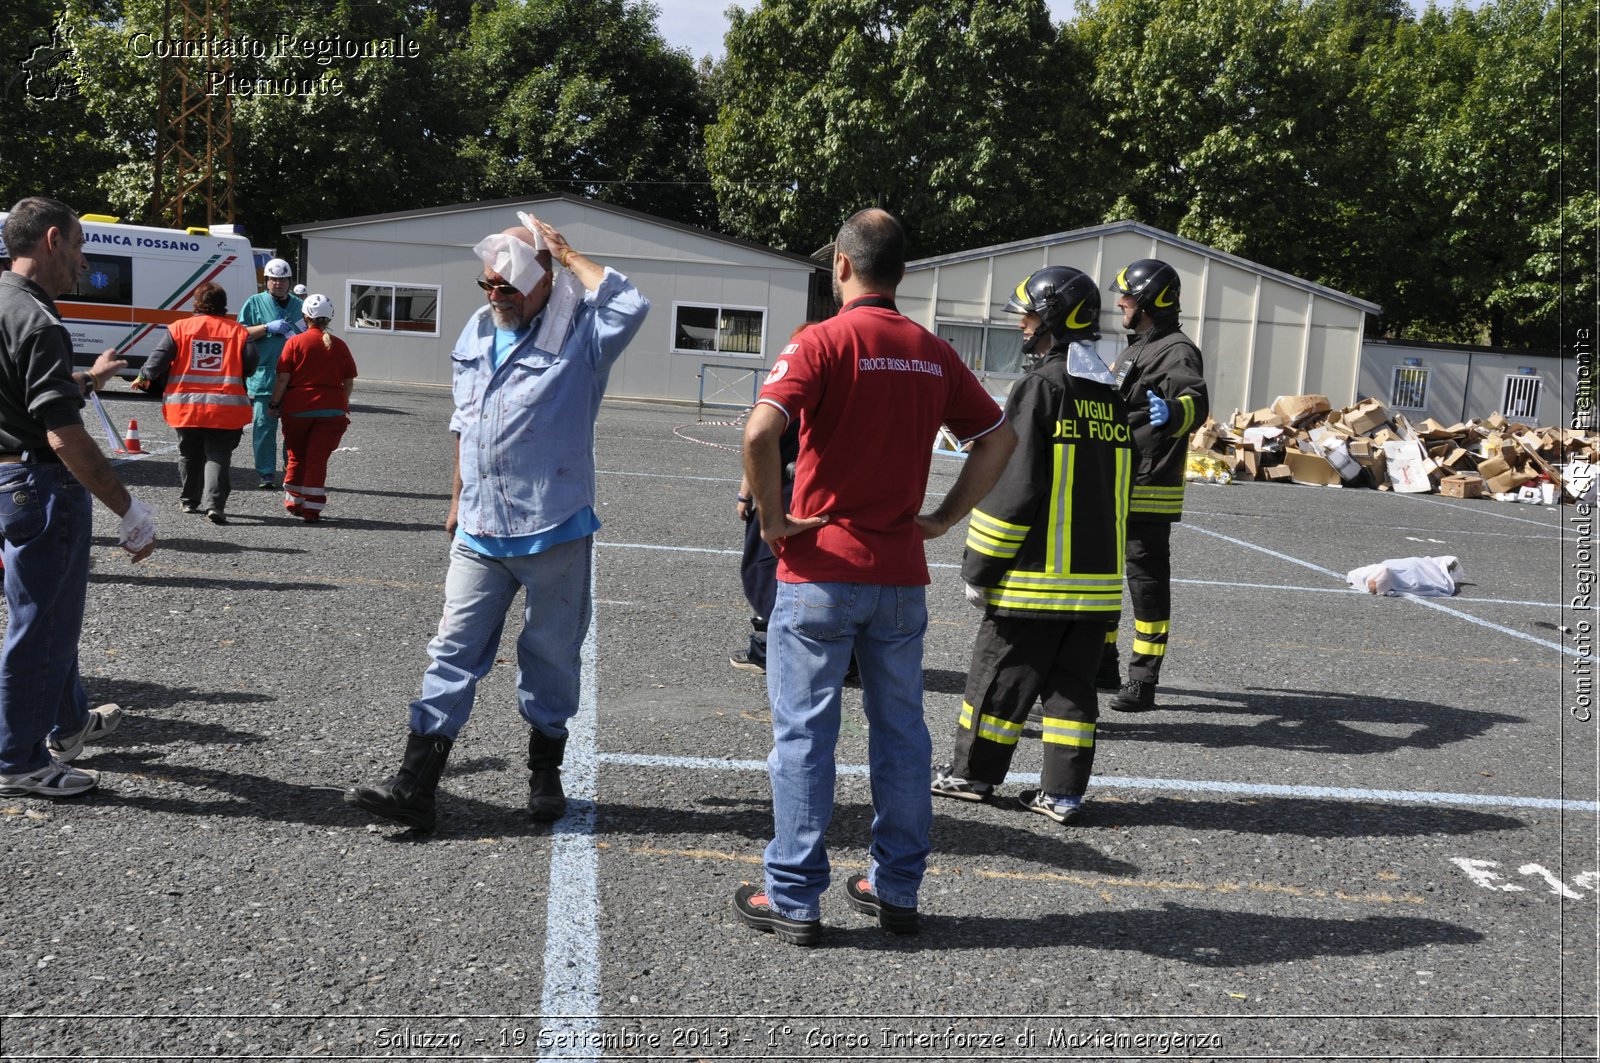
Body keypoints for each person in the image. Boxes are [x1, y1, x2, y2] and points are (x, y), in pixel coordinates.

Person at [732, 208, 1016, 945]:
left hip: (820, 570)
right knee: (901, 736)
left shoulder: (820, 340)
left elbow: (761, 431)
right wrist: (944, 517)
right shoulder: (933, 352)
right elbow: (998, 438)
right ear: (900, 272)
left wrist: (771, 519)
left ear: (842, 266)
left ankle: (793, 895)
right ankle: (895, 888)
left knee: (804, 734)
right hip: (897, 573)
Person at [346, 215, 649, 832]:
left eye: (505, 286)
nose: (492, 295)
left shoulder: (581, 334)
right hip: (481, 529)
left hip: (554, 527)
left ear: (542, 284)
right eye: (485, 283)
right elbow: (466, 419)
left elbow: (632, 302)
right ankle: (415, 786)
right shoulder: (478, 330)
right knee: (451, 651)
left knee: (551, 659)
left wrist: (565, 253)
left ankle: (545, 774)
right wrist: (456, 497)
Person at [930, 266, 1149, 824]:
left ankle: (971, 775)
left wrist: (979, 566)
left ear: (1052, 318)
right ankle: (1063, 793)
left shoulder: (1040, 388)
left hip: (1033, 582)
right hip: (1095, 586)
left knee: (997, 678)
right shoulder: (1108, 392)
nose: (1022, 325)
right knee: (1072, 694)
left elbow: (1014, 485)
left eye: (1028, 314)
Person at [0, 196, 156, 799]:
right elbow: (64, 434)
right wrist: (128, 507)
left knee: (45, 615)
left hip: (10, 484)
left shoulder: (8, 305)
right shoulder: (40, 321)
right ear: (52, 241)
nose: (85, 263)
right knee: (44, 627)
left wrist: (91, 377)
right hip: (41, 488)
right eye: (81, 246)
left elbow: (26, 389)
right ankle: (18, 762)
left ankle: (66, 726)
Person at [1100, 259, 1209, 712]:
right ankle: (1102, 663)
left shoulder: (1176, 350)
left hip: (1148, 484)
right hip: (1116, 479)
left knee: (1146, 582)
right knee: (1104, 578)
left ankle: (1142, 679)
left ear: (1148, 301)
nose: (1120, 302)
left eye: (1126, 295)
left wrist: (1176, 412)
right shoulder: (1138, 346)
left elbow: (1195, 400)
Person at [134, 282, 257, 524]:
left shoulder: (179, 328)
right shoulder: (238, 332)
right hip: (226, 408)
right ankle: (215, 506)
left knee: (189, 454)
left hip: (186, 407)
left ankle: (189, 501)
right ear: (223, 304)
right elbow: (251, 364)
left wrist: (142, 377)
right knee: (218, 455)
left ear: (196, 303)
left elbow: (158, 359)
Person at [269, 293, 357, 522]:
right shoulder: (339, 345)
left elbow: (282, 379)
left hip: (298, 409)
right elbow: (348, 382)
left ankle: (294, 500)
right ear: (330, 318)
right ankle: (312, 507)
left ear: (305, 316)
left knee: (296, 455)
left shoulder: (294, 343)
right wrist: (341, 403)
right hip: (332, 411)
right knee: (317, 459)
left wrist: (274, 403)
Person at [238, 258, 303, 489]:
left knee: (294, 427)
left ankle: (291, 468)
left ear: (289, 281)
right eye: (273, 279)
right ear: (266, 281)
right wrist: (266, 328)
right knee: (264, 427)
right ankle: (266, 473)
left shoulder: (299, 305)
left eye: (283, 279)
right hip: (265, 376)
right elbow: (241, 334)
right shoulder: (254, 303)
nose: (278, 283)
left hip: (295, 379)